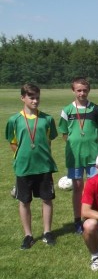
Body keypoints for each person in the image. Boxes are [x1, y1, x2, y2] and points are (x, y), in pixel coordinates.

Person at [6, 83, 58, 249]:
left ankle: (47, 232)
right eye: (31, 98)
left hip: (44, 167)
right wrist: (23, 156)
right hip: (24, 167)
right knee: (24, 201)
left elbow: (48, 141)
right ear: (23, 98)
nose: (35, 101)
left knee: (47, 199)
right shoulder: (14, 120)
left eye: (37, 97)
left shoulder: (47, 119)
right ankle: (28, 235)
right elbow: (13, 143)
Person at [59, 77, 98, 234]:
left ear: (89, 90)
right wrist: (75, 143)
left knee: (95, 188)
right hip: (75, 156)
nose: (82, 93)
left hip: (93, 155)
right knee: (78, 188)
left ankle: (94, 219)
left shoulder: (96, 109)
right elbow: (64, 133)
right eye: (79, 90)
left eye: (84, 90)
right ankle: (78, 219)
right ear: (73, 91)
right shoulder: (67, 110)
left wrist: (89, 142)